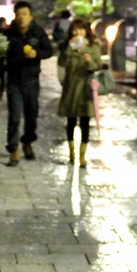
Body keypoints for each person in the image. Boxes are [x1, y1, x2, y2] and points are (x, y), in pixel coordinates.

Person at [4, 1, 53, 166]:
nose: (21, 17)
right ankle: (13, 149)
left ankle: (27, 143)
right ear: (15, 16)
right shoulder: (9, 34)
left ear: (30, 16)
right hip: (13, 81)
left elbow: (49, 51)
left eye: (25, 14)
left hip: (32, 81)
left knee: (31, 116)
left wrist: (36, 53)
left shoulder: (38, 32)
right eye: (19, 14)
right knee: (14, 116)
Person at [57, 18, 102, 167]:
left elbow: (97, 66)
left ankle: (82, 156)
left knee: (85, 122)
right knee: (70, 121)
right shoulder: (67, 46)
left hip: (85, 90)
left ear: (86, 31)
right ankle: (72, 152)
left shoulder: (93, 46)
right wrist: (68, 48)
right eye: (75, 30)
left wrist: (89, 61)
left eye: (81, 29)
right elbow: (61, 62)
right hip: (71, 88)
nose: (78, 32)